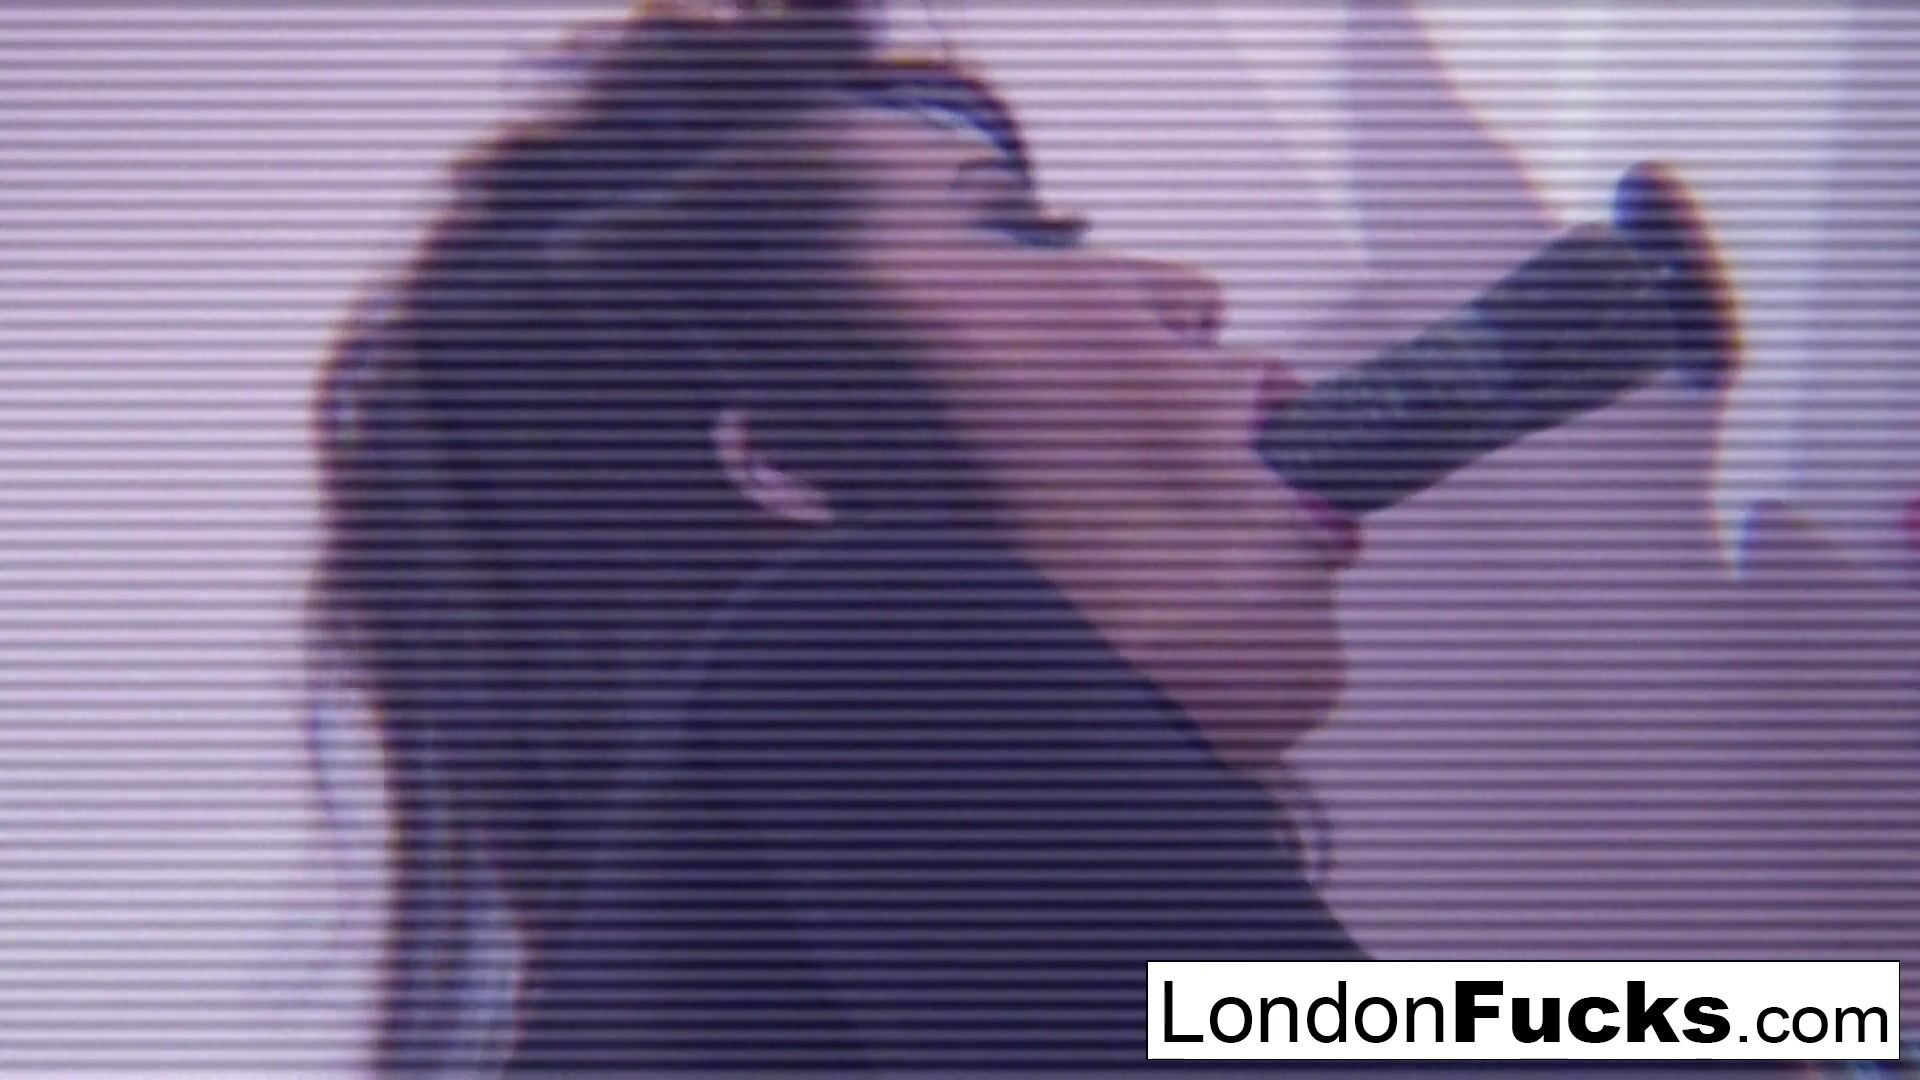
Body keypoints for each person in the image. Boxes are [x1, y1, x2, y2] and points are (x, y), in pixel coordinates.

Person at [306, 3, 1797, 1075]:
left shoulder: (876, 883)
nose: (1190, 290)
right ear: (797, 450)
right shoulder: (834, 652)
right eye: (1021, 230)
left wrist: (1827, 1026)